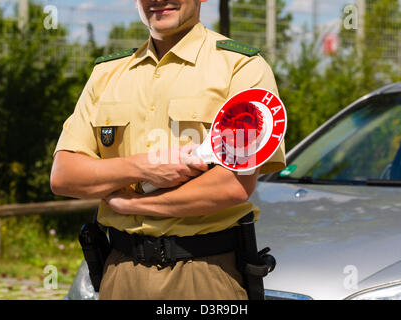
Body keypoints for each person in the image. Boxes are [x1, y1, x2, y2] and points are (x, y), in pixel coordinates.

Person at [50, 0, 285, 300]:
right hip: (120, 272)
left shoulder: (241, 67)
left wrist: (133, 205)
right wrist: (143, 167)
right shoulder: (106, 73)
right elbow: (65, 175)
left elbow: (234, 185)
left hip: (204, 274)